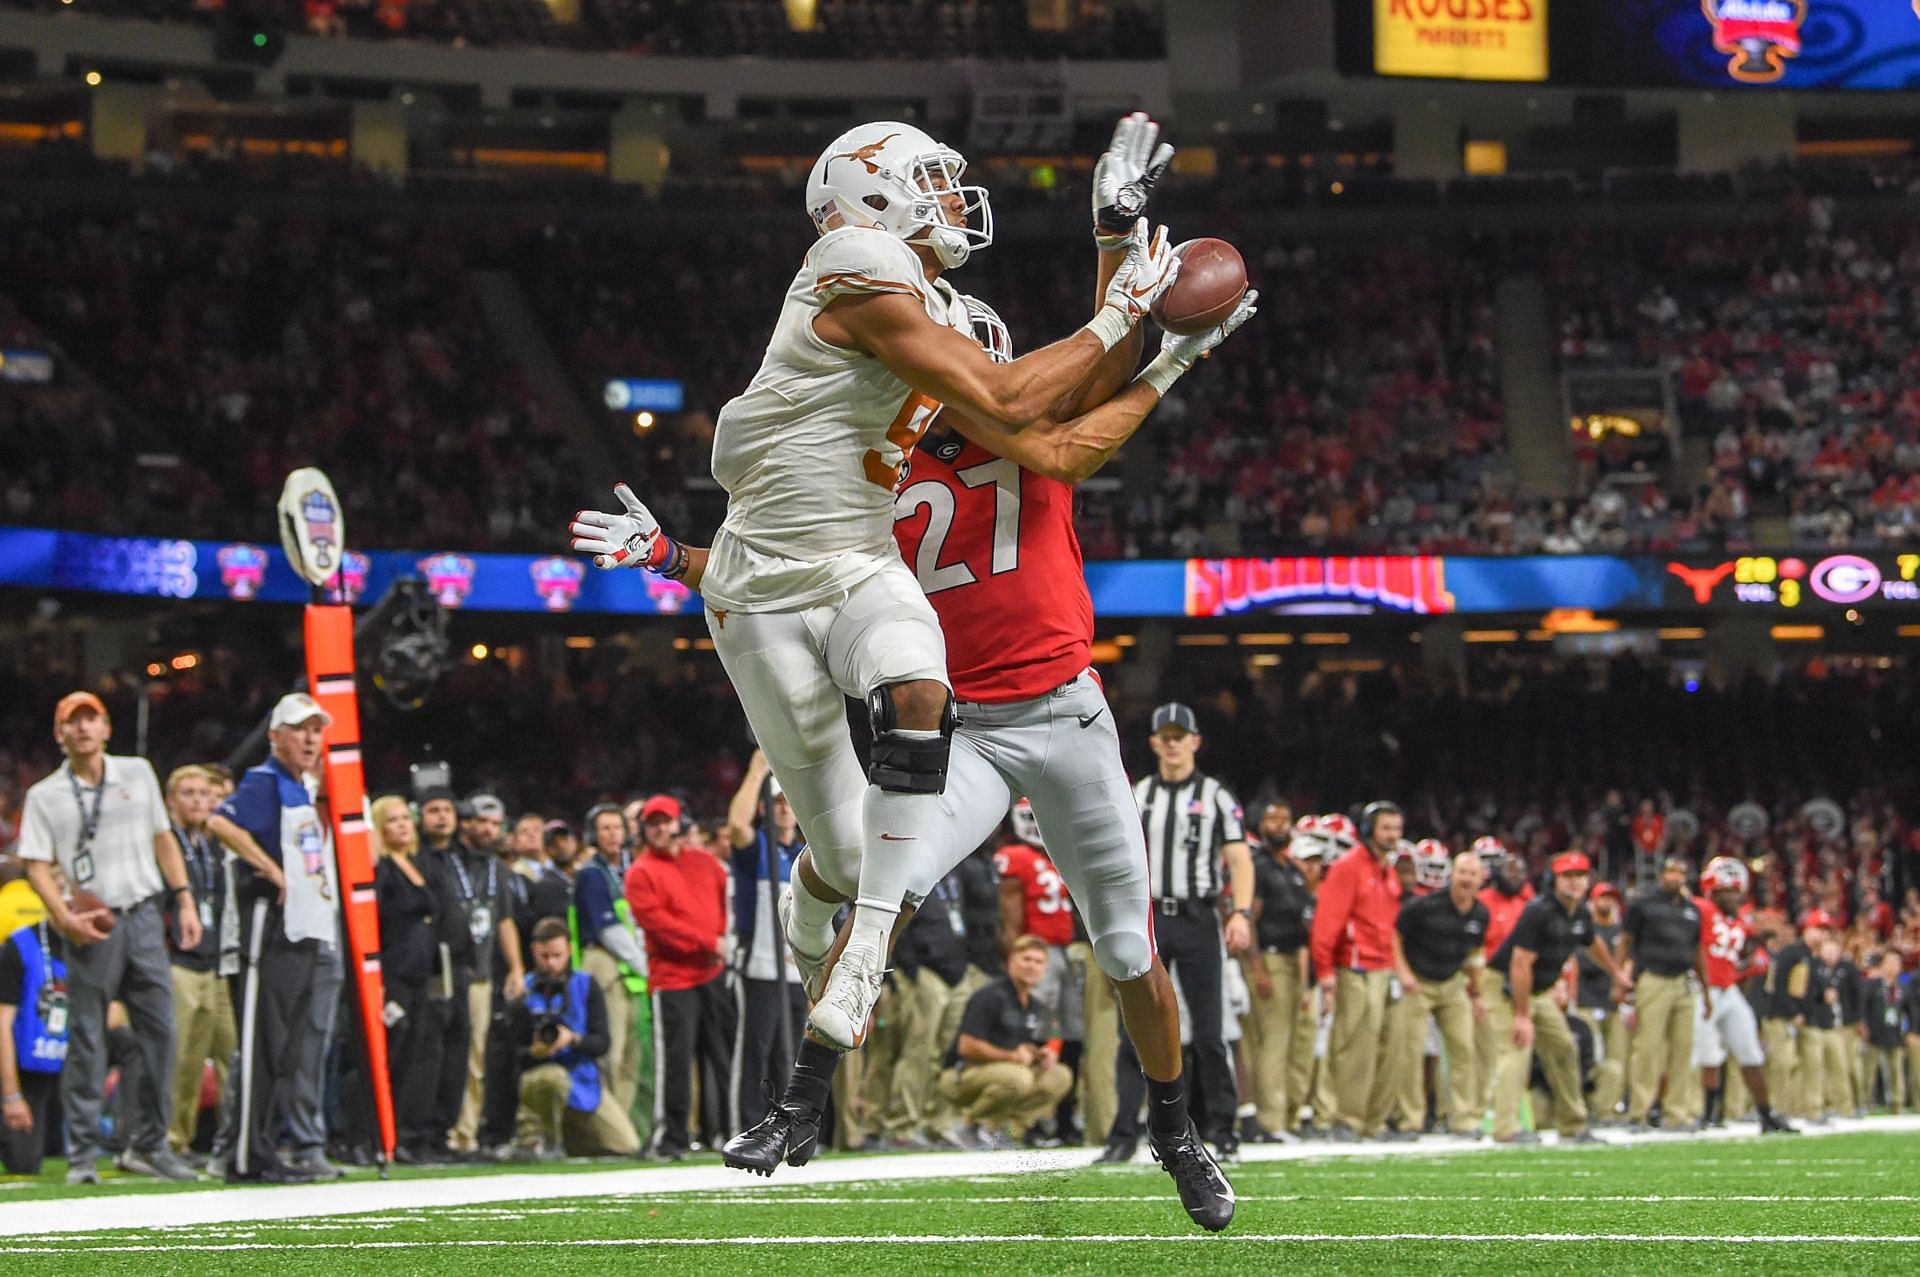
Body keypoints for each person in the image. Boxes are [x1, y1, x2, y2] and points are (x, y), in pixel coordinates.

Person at [592, 114, 1252, 1233]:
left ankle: (1177, 1125)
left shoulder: (930, 440)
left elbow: (1062, 412)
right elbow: (1055, 413)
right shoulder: (879, 462)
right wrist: (1163, 342)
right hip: (975, 725)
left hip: (1065, 706)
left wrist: (1121, 259)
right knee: (870, 889)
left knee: (1131, 949)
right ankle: (802, 1094)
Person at [17, 691, 201, 1185]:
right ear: (59, 735)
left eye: (90, 720)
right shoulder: (45, 795)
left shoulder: (138, 773)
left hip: (142, 914)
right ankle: (81, 1155)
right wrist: (64, 918)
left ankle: (149, 1144)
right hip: (91, 925)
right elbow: (35, 863)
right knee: (87, 1038)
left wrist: (184, 899)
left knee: (161, 1032)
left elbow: (163, 837)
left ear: (106, 729)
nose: (82, 729)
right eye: (71, 722)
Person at [1105, 703, 1252, 1161]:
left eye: (1179, 735)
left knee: (1209, 1031)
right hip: (1150, 916)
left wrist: (1241, 912)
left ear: (1194, 741)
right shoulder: (1140, 793)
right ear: (1153, 743)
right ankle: (1123, 1133)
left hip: (1197, 917)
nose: (1171, 743)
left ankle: (1224, 1128)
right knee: (1136, 1028)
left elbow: (1239, 858)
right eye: (1164, 736)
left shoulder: (1216, 796)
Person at [206, 691, 344, 1183]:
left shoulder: (297, 785)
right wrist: (270, 870)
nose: (310, 738)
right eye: (299, 729)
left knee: (284, 1050)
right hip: (268, 925)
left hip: (299, 930)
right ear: (275, 736)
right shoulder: (264, 780)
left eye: (316, 729)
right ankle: (244, 1155)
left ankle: (261, 1148)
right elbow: (219, 821)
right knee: (263, 1046)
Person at [1484, 851, 1627, 1144]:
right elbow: (1519, 963)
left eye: (1580, 876)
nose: (1575, 883)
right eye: (1567, 877)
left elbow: (1591, 942)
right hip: (1505, 985)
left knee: (1564, 1048)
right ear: (1554, 880)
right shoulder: (1539, 911)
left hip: (1536, 990)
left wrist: (1615, 973)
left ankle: (1573, 1124)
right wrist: (1523, 1015)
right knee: (1516, 1048)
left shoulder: (1579, 913)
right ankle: (1506, 1128)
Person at [624, 794, 732, 1159]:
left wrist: (717, 939)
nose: (659, 829)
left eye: (664, 821)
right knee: (675, 1060)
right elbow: (659, 927)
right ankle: (671, 1136)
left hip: (711, 972)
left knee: (722, 1056)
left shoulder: (706, 862)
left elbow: (722, 902)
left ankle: (726, 1131)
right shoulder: (640, 872)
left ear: (677, 823)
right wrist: (709, 942)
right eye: (652, 823)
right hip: (673, 978)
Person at [1310, 800, 1406, 1141]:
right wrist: (1325, 972)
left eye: (1397, 828)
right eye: (1386, 828)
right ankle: (1345, 1119)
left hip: (1384, 968)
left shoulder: (1388, 871)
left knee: (1390, 1046)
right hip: (1355, 967)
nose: (1393, 835)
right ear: (1368, 830)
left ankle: (1374, 1122)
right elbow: (1327, 923)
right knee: (1355, 1047)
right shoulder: (1349, 867)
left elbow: (1390, 927)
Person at [723, 752, 807, 1135]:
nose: (785, 810)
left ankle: (783, 1128)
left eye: (790, 802)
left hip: (794, 973)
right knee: (754, 1051)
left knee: (787, 1056)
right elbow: (736, 825)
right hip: (758, 966)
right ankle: (746, 1127)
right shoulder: (757, 848)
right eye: (776, 803)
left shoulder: (805, 856)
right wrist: (757, 768)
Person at [508, 918, 641, 1159]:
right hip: (540, 1075)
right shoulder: (524, 990)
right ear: (533, 952)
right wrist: (534, 1052)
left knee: (626, 1145)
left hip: (582, 1079)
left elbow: (602, 1043)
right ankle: (540, 1138)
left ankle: (572, 1139)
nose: (551, 963)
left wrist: (573, 1039)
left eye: (557, 955)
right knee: (551, 1078)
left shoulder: (587, 985)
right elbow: (509, 1054)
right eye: (544, 956)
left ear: (569, 950)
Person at [994, 799, 1081, 1140]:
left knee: (1069, 1036)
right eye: (1026, 817)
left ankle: (1062, 1118)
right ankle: (1024, 1121)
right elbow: (1011, 919)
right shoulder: (1014, 856)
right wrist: (1019, 959)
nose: (1033, 823)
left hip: (1063, 953)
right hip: (1037, 953)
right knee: (1034, 1031)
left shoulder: (1055, 854)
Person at [163, 765, 237, 1160]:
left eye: (205, 794)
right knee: (182, 1058)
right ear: (171, 800)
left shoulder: (211, 845)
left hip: (214, 962)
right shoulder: (167, 843)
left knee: (228, 1053)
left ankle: (230, 1140)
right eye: (188, 793)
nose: (197, 801)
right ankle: (174, 1140)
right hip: (179, 960)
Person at [1691, 857, 1796, 1134]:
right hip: (1704, 989)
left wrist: (1758, 941)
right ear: (1711, 890)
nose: (1734, 896)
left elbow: (1749, 947)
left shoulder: (1738, 920)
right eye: (1727, 891)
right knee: (1707, 1052)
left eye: (1737, 891)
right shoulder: (1701, 909)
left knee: (1749, 1050)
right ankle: (1708, 1112)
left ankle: (1765, 1113)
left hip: (1729, 989)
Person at [936, 935, 1074, 1145]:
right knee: (1018, 1077)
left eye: (1038, 962)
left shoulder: (1034, 1004)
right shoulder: (990, 995)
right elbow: (967, 1046)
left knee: (1060, 1075)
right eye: (1026, 959)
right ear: (1011, 961)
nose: (1032, 966)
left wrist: (1041, 1056)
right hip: (961, 1075)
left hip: (1003, 1075)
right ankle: (968, 1127)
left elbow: (1027, 1046)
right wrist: (1012, 1056)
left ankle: (1007, 1133)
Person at [1393, 851, 1489, 1138]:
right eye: (1462, 873)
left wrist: (1477, 993)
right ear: (1452, 875)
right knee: (1410, 1051)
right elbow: (1394, 937)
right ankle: (1410, 1120)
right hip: (1419, 981)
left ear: (1481, 880)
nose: (1466, 879)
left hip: (1452, 982)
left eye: (1472, 874)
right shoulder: (1424, 906)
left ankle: (1464, 1119)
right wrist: (1404, 974)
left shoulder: (1481, 914)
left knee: (1463, 1048)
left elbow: (1475, 955)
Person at [451, 792, 526, 1155]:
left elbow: (504, 920)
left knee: (476, 1056)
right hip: (450, 969)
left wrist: (515, 966)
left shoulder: (496, 866)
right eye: (483, 821)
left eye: (496, 824)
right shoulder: (448, 860)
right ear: (465, 821)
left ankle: (465, 1134)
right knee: (453, 1054)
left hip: (482, 973)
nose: (489, 829)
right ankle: (447, 1130)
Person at [371, 795, 444, 1164]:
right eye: (392, 820)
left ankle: (400, 1134)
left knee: (413, 1057)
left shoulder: (420, 863)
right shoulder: (380, 868)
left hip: (419, 974)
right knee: (391, 1053)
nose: (402, 825)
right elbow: (375, 923)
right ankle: (375, 1135)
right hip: (393, 973)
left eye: (405, 818)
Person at [573, 802, 650, 1143]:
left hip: (633, 968)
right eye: (604, 829)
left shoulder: (633, 869)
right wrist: (649, 967)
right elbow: (610, 932)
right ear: (593, 835)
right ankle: (605, 1133)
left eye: (616, 827)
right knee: (612, 1052)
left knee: (633, 1054)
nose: (612, 835)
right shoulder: (591, 874)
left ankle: (624, 1133)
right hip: (607, 964)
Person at [1240, 801, 1311, 1142]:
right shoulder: (1259, 866)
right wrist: (1257, 969)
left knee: (1290, 1044)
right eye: (1272, 818)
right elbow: (1248, 919)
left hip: (1291, 962)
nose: (1280, 825)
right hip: (1269, 960)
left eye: (1285, 819)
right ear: (1261, 824)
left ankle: (1287, 1117)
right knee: (1273, 1044)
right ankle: (1271, 1121)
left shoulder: (1292, 869)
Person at [1621, 856, 1701, 1131]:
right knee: (1648, 1047)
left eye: (1681, 872)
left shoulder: (1692, 909)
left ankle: (1676, 1113)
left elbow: (1697, 950)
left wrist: (1707, 990)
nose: (1676, 877)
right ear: (1661, 874)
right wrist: (1622, 977)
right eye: (1671, 871)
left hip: (1683, 982)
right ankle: (1639, 1112)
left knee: (1683, 1049)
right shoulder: (1644, 905)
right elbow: (1626, 941)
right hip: (1653, 979)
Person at [0, 914, 69, 1175]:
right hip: (20, 1067)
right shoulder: (19, 946)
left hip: (55, 1062)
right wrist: (11, 1096)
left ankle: (138, 1140)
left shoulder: (95, 944)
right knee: (24, 1164)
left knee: (128, 1044)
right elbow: (2, 1025)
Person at [1569, 881, 1627, 1126]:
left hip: (1613, 1004)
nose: (1607, 902)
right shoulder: (1585, 929)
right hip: (1586, 1000)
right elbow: (1582, 963)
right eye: (1602, 897)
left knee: (1617, 1060)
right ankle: (1584, 1107)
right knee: (1589, 1060)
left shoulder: (1618, 931)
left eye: (1611, 898)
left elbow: (1628, 962)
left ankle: (1608, 1108)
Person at [1861, 951, 1906, 1113]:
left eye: (1896, 963)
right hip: (1874, 1033)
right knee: (1868, 1071)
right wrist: (1863, 1025)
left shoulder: (1902, 988)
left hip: (1894, 1034)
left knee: (1896, 1071)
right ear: (1882, 965)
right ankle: (1864, 1103)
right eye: (1889, 962)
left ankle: (1897, 1104)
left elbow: (1909, 1010)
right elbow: (1863, 1006)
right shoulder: (1872, 985)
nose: (1893, 967)